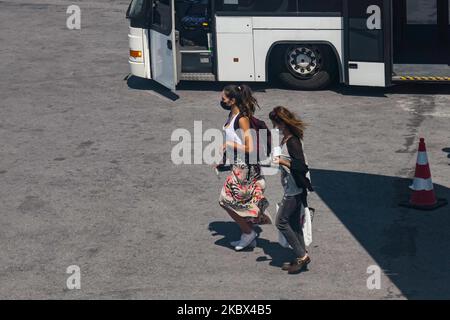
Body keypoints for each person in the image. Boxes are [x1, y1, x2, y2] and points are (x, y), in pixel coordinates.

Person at [216, 84, 271, 251]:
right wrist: (223, 160)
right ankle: (249, 232)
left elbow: (250, 147)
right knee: (239, 201)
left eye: (223, 98)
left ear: (232, 100)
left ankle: (248, 232)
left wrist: (229, 144)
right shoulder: (231, 115)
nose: (221, 100)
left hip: (245, 168)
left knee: (225, 200)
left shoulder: (242, 119)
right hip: (238, 165)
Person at [269, 106, 313, 274]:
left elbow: (302, 166)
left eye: (276, 124)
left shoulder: (292, 141)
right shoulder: (287, 138)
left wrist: (282, 161)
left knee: (280, 221)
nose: (275, 127)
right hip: (292, 186)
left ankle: (302, 256)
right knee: (294, 223)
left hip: (295, 189)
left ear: (282, 122)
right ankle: (301, 256)